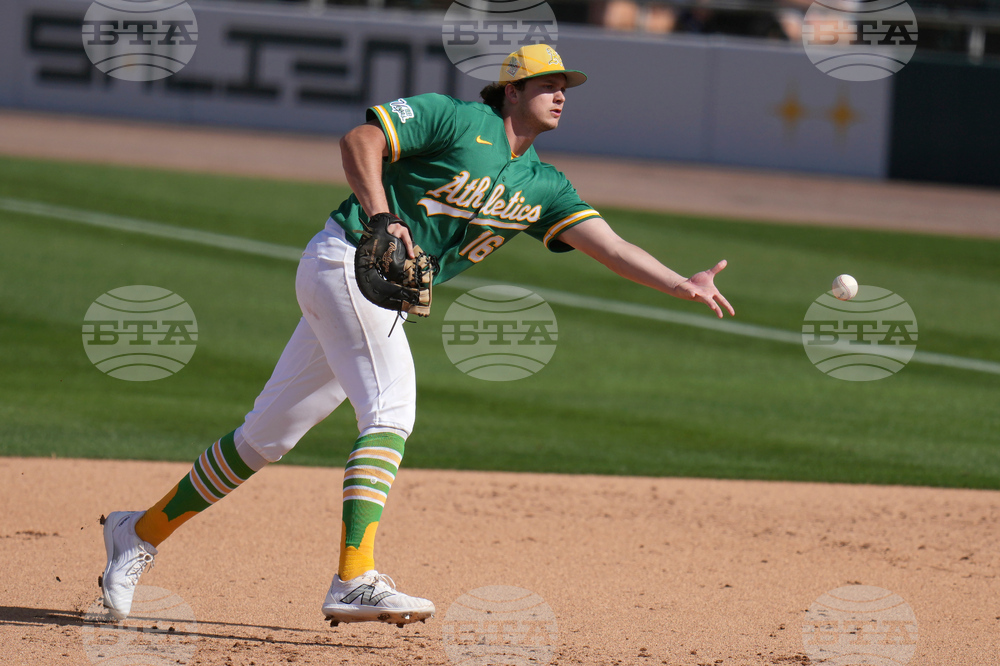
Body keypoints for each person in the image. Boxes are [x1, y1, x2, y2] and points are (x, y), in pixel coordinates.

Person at [100, 43, 734, 628]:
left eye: (566, 84)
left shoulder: (545, 184)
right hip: (346, 259)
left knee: (264, 437)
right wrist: (381, 214)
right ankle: (354, 577)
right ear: (510, 90)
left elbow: (613, 247)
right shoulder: (454, 119)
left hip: (376, 296)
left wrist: (683, 282)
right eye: (546, 82)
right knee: (392, 410)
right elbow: (359, 140)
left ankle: (139, 532)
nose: (561, 92)